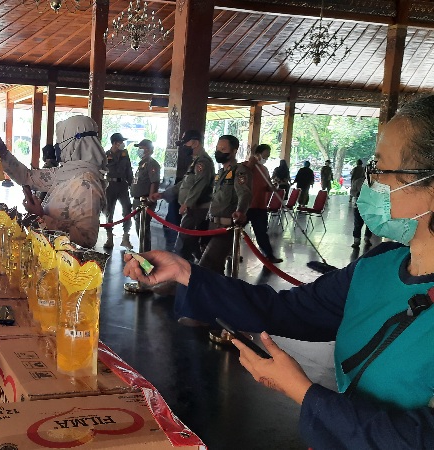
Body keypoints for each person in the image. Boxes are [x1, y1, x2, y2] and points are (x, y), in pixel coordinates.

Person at [122, 95, 434, 449]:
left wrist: (303, 392)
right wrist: (184, 271)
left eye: (380, 170)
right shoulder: (381, 265)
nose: (369, 184)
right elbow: (285, 310)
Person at [0, 115, 106, 249]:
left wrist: (41, 216)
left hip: (64, 260)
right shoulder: (65, 172)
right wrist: (1, 150)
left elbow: (86, 239)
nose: (58, 148)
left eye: (61, 142)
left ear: (75, 144)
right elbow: (27, 177)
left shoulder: (87, 184)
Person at [199, 135, 252, 274]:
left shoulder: (239, 171)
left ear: (234, 151)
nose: (218, 152)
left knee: (207, 263)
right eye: (217, 148)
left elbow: (244, 193)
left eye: (223, 149)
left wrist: (240, 211)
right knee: (215, 267)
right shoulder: (221, 172)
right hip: (212, 224)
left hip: (226, 226)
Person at [169, 129, 213, 262]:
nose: (184, 146)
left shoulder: (203, 162)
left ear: (195, 143)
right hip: (191, 209)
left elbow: (200, 185)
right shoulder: (195, 161)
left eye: (185, 143)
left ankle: (184, 270)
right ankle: (200, 266)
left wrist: (187, 204)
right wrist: (164, 194)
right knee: (192, 245)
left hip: (196, 209)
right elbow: (185, 183)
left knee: (183, 245)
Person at [243, 144, 282, 263]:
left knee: (262, 232)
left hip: (260, 206)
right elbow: (244, 175)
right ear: (257, 154)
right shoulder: (245, 165)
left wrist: (273, 187)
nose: (266, 159)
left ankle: (269, 255)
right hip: (246, 206)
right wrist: (251, 161)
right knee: (235, 230)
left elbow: (267, 186)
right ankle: (229, 253)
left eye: (267, 157)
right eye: (264, 156)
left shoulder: (264, 169)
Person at [103, 132, 133, 249]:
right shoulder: (106, 155)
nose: (123, 144)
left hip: (123, 185)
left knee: (127, 210)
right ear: (115, 143)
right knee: (109, 211)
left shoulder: (125, 154)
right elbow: (101, 170)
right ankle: (109, 238)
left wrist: (130, 184)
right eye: (121, 142)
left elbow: (129, 170)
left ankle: (125, 237)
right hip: (110, 185)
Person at [131, 139, 161, 251]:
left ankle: (145, 252)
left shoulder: (152, 164)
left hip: (145, 200)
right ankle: (142, 251)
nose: (139, 150)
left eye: (141, 148)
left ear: (148, 150)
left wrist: (150, 197)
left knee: (143, 229)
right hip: (138, 200)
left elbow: (154, 181)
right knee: (139, 228)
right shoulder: (142, 164)